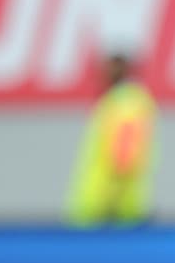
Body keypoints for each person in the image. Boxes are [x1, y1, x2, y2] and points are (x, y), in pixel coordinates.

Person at [66, 53, 158, 225]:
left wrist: (110, 204)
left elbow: (123, 159)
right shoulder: (119, 100)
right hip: (105, 209)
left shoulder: (126, 102)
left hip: (108, 211)